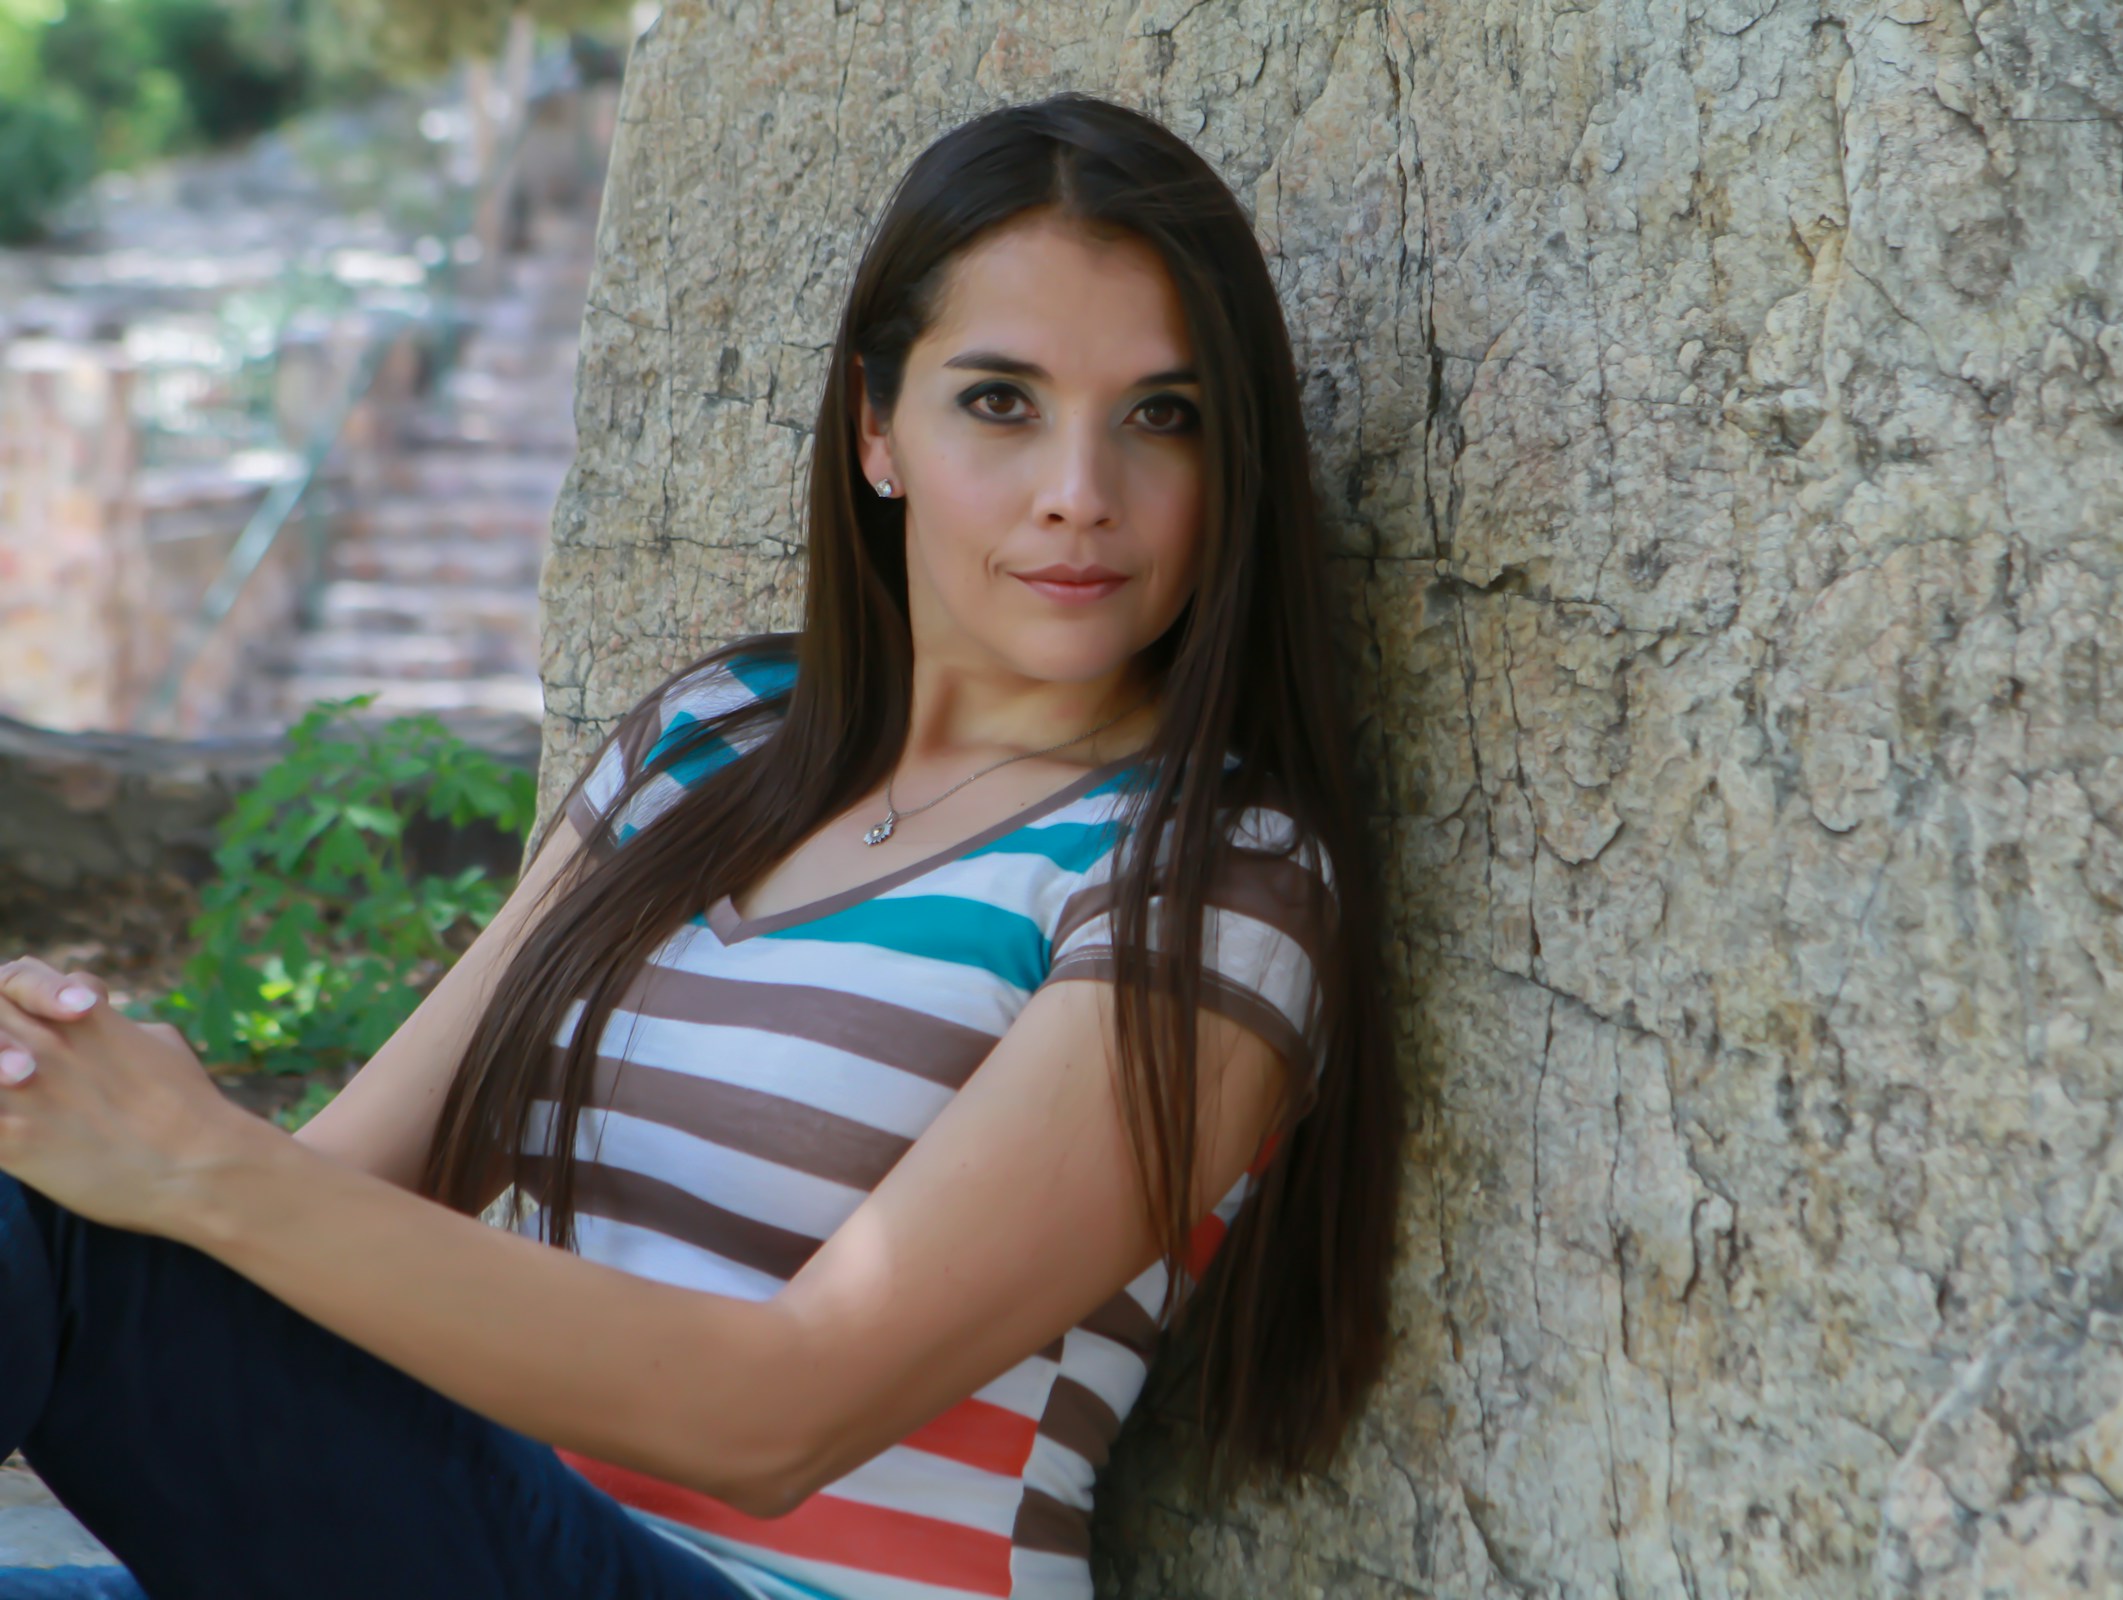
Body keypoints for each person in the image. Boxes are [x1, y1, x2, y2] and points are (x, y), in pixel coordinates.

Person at [0, 91, 1401, 1600]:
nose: (1082, 492)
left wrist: (188, 1159)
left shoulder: (1212, 877)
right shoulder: (713, 738)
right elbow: (352, 1190)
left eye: (1160, 416)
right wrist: (82, 1109)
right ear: (878, 431)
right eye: (1001, 402)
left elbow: (778, 1412)